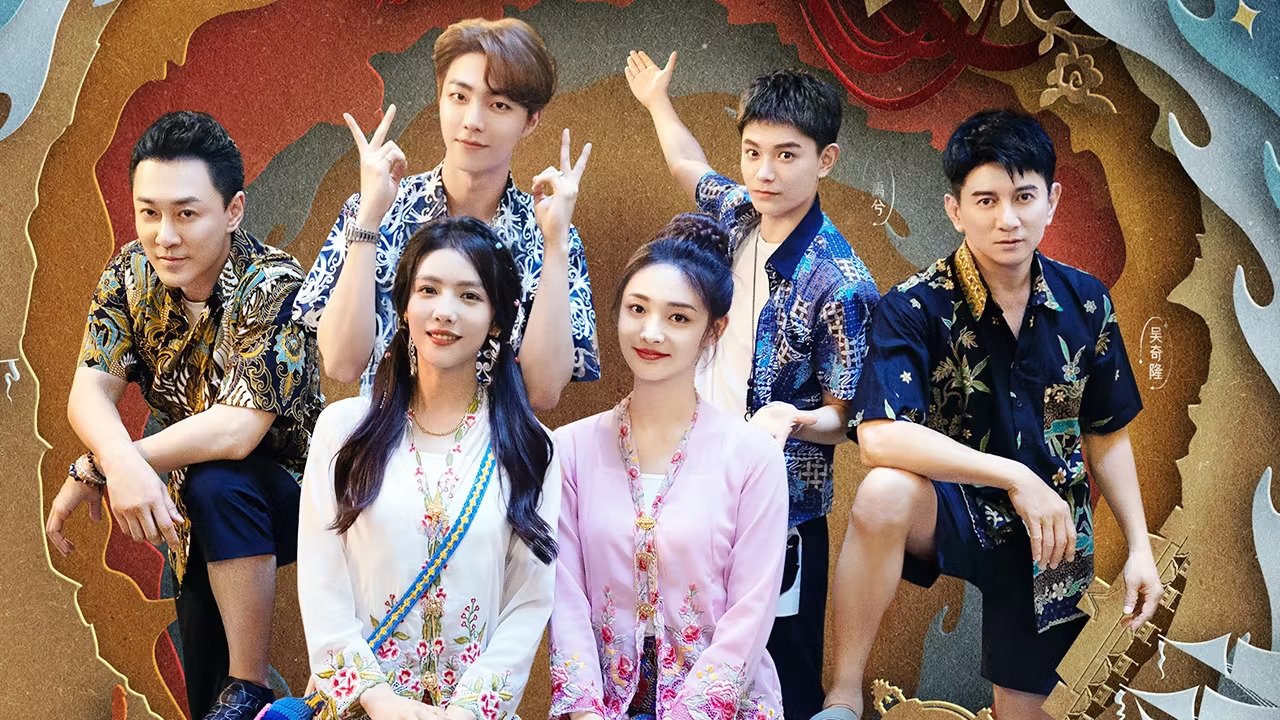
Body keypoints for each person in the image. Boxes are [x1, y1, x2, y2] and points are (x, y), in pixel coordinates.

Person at [816, 109, 1165, 720]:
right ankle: (842, 696)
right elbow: (878, 438)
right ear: (955, 211)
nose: (1008, 219)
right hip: (955, 508)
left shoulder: (1087, 302)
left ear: (1052, 202)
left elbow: (1106, 433)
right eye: (986, 200)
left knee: (1027, 712)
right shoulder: (913, 305)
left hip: (1052, 532)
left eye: (1024, 197)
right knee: (882, 493)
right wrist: (1013, 476)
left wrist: (1139, 547)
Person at [44, 111, 323, 719]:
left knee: (220, 479)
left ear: (234, 210)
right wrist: (120, 463)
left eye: (186, 213)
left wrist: (107, 465)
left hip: (294, 495)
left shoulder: (274, 283)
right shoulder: (128, 274)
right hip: (193, 507)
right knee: (205, 699)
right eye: (148, 212)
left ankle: (250, 685)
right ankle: (231, 696)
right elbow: (88, 391)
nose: (164, 235)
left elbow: (238, 428)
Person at [626, 53, 879, 719]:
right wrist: (657, 102)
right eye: (753, 152)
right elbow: (689, 165)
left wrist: (792, 420)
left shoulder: (842, 282)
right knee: (679, 668)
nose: (765, 172)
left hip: (780, 515)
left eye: (786, 155)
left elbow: (847, 418)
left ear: (825, 160)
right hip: (691, 489)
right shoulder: (740, 215)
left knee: (778, 680)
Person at [296, 215, 563, 720]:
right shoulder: (344, 431)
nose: (445, 311)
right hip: (363, 710)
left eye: (469, 296)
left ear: (497, 321)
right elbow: (320, 577)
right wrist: (377, 700)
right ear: (404, 306)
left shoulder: (530, 446)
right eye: (428, 290)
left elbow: (529, 600)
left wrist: (467, 711)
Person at [550, 214, 788, 720]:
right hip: (603, 706)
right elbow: (566, 598)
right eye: (637, 309)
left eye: (678, 318)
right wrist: (586, 712)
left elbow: (751, 611)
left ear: (714, 330)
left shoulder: (753, 456)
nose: (651, 332)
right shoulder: (568, 450)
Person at [294, 17, 598, 409]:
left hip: (493, 442)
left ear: (530, 121)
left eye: (499, 105)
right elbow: (340, 364)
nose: (473, 121)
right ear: (439, 98)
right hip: (387, 438)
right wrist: (368, 220)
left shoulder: (551, 232)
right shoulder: (375, 208)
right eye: (459, 97)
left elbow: (543, 393)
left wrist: (555, 246)